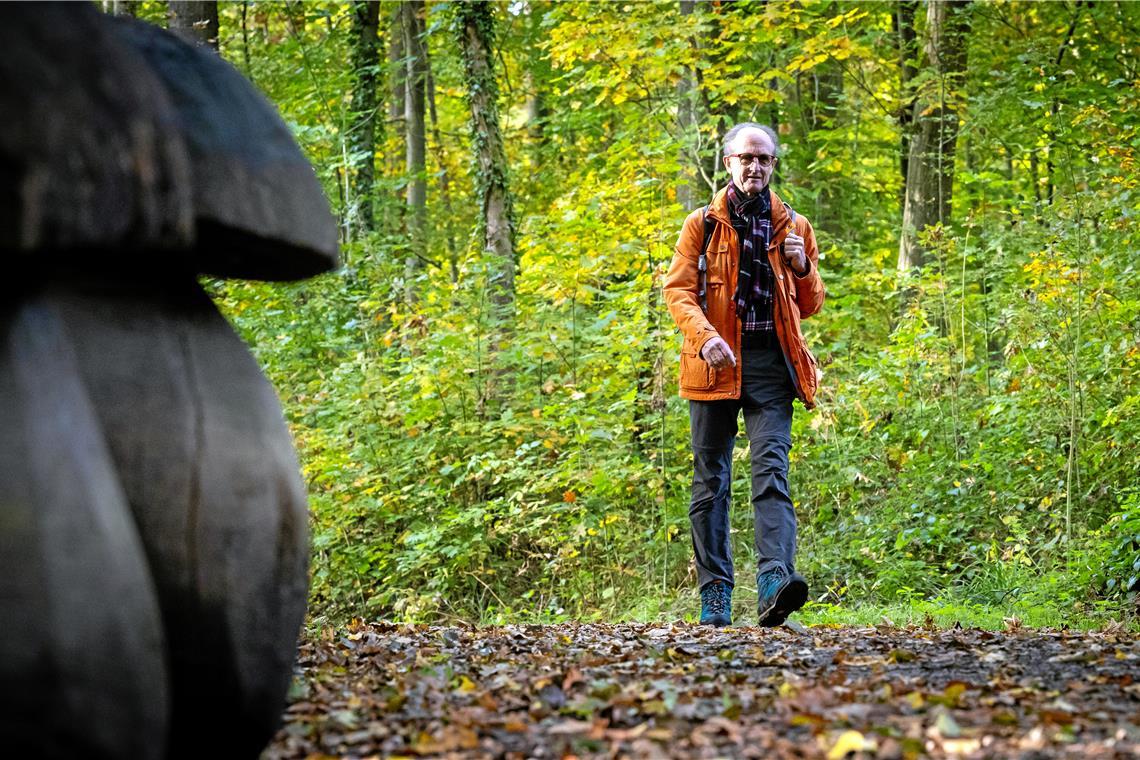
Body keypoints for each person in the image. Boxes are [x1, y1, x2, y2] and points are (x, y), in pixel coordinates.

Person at [664, 123, 825, 627]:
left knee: (771, 472)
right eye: (746, 158)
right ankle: (715, 596)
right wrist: (705, 336)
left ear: (774, 165)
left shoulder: (795, 225)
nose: (755, 167)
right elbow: (678, 291)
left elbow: (812, 304)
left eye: (765, 159)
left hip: (772, 364)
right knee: (711, 482)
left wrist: (803, 268)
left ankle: (775, 583)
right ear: (728, 162)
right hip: (713, 363)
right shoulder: (702, 225)